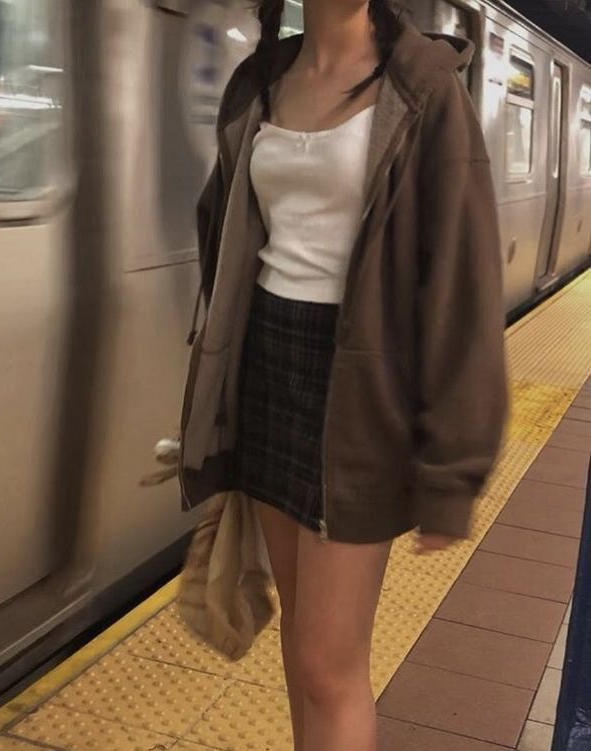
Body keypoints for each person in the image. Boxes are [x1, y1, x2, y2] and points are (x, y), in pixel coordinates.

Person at [178, 1, 509, 749]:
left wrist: (450, 471)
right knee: (302, 650)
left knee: (331, 665)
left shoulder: (424, 87)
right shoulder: (258, 82)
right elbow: (222, 228)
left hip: (361, 390)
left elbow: (461, 283)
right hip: (268, 371)